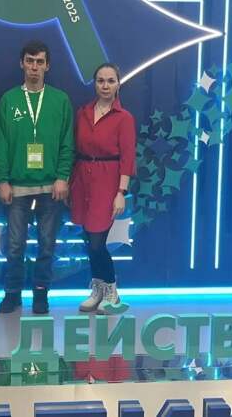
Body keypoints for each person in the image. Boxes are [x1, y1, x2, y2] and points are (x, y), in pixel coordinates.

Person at [0, 41, 74, 315]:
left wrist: (63, 177)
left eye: (40, 62)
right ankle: (12, 293)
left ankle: (41, 294)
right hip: (17, 187)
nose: (34, 67)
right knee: (15, 245)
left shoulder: (60, 100)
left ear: (47, 66)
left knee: (47, 245)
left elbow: (67, 143)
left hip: (51, 187)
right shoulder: (9, 100)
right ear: (22, 63)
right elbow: (1, 143)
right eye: (30, 61)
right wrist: (2, 180)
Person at [69, 63, 135, 314]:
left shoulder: (124, 118)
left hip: (108, 183)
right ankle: (97, 288)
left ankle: (111, 291)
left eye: (110, 81)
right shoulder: (83, 113)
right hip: (82, 179)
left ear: (118, 84)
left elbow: (127, 157)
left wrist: (121, 192)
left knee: (98, 242)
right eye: (100, 81)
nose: (105, 86)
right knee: (88, 240)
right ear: (94, 83)